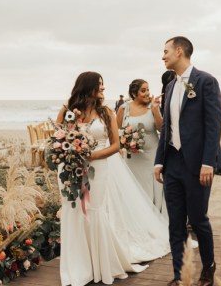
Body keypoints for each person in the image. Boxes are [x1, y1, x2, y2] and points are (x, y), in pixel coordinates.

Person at [56, 72, 169, 286]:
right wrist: (69, 155)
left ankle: (99, 265)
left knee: (94, 211)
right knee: (73, 212)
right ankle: (78, 264)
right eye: (98, 85)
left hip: (98, 168)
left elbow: (116, 145)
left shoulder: (106, 111)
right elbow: (57, 139)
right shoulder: (69, 110)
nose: (103, 88)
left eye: (102, 85)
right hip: (71, 169)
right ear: (86, 86)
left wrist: (91, 156)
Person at [154, 36, 221, 286]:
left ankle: (208, 268)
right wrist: (159, 161)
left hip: (197, 165)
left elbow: (213, 126)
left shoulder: (206, 81)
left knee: (198, 219)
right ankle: (179, 275)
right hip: (173, 164)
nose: (162, 56)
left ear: (179, 51)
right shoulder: (170, 86)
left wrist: (208, 162)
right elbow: (168, 128)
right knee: (175, 223)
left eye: (165, 51)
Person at [116, 79, 165, 212]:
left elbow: (161, 129)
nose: (147, 93)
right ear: (134, 93)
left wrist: (156, 110)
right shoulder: (123, 108)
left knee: (151, 186)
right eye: (143, 90)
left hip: (152, 156)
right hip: (132, 159)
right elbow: (116, 133)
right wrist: (125, 143)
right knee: (134, 188)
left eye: (148, 90)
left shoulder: (152, 106)